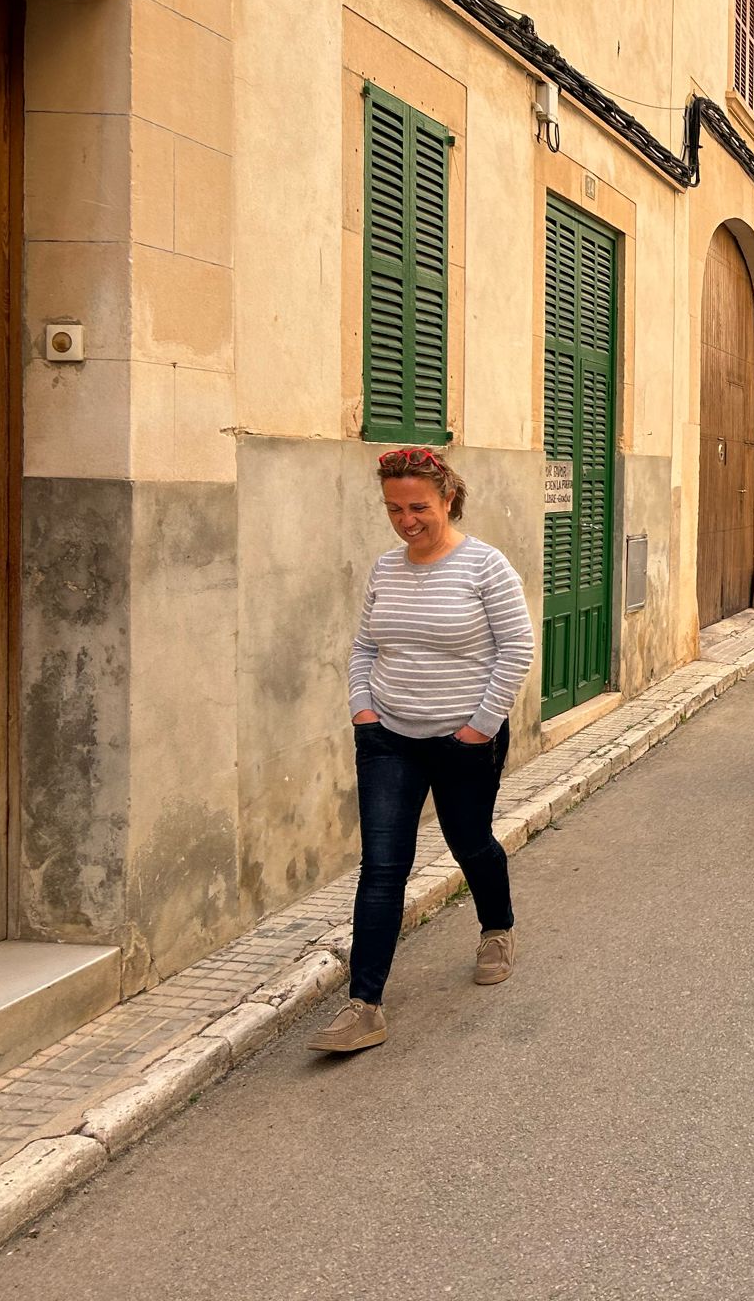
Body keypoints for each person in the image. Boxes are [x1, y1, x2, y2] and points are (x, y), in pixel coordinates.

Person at [309, 447, 535, 1054]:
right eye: (393, 508)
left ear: (447, 500)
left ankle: (497, 928)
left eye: (418, 507)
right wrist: (363, 710)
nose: (406, 520)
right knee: (382, 867)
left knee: (470, 843)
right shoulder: (386, 570)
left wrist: (479, 728)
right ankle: (364, 1006)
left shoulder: (485, 567)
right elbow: (364, 648)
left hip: (464, 739)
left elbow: (516, 649)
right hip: (388, 738)